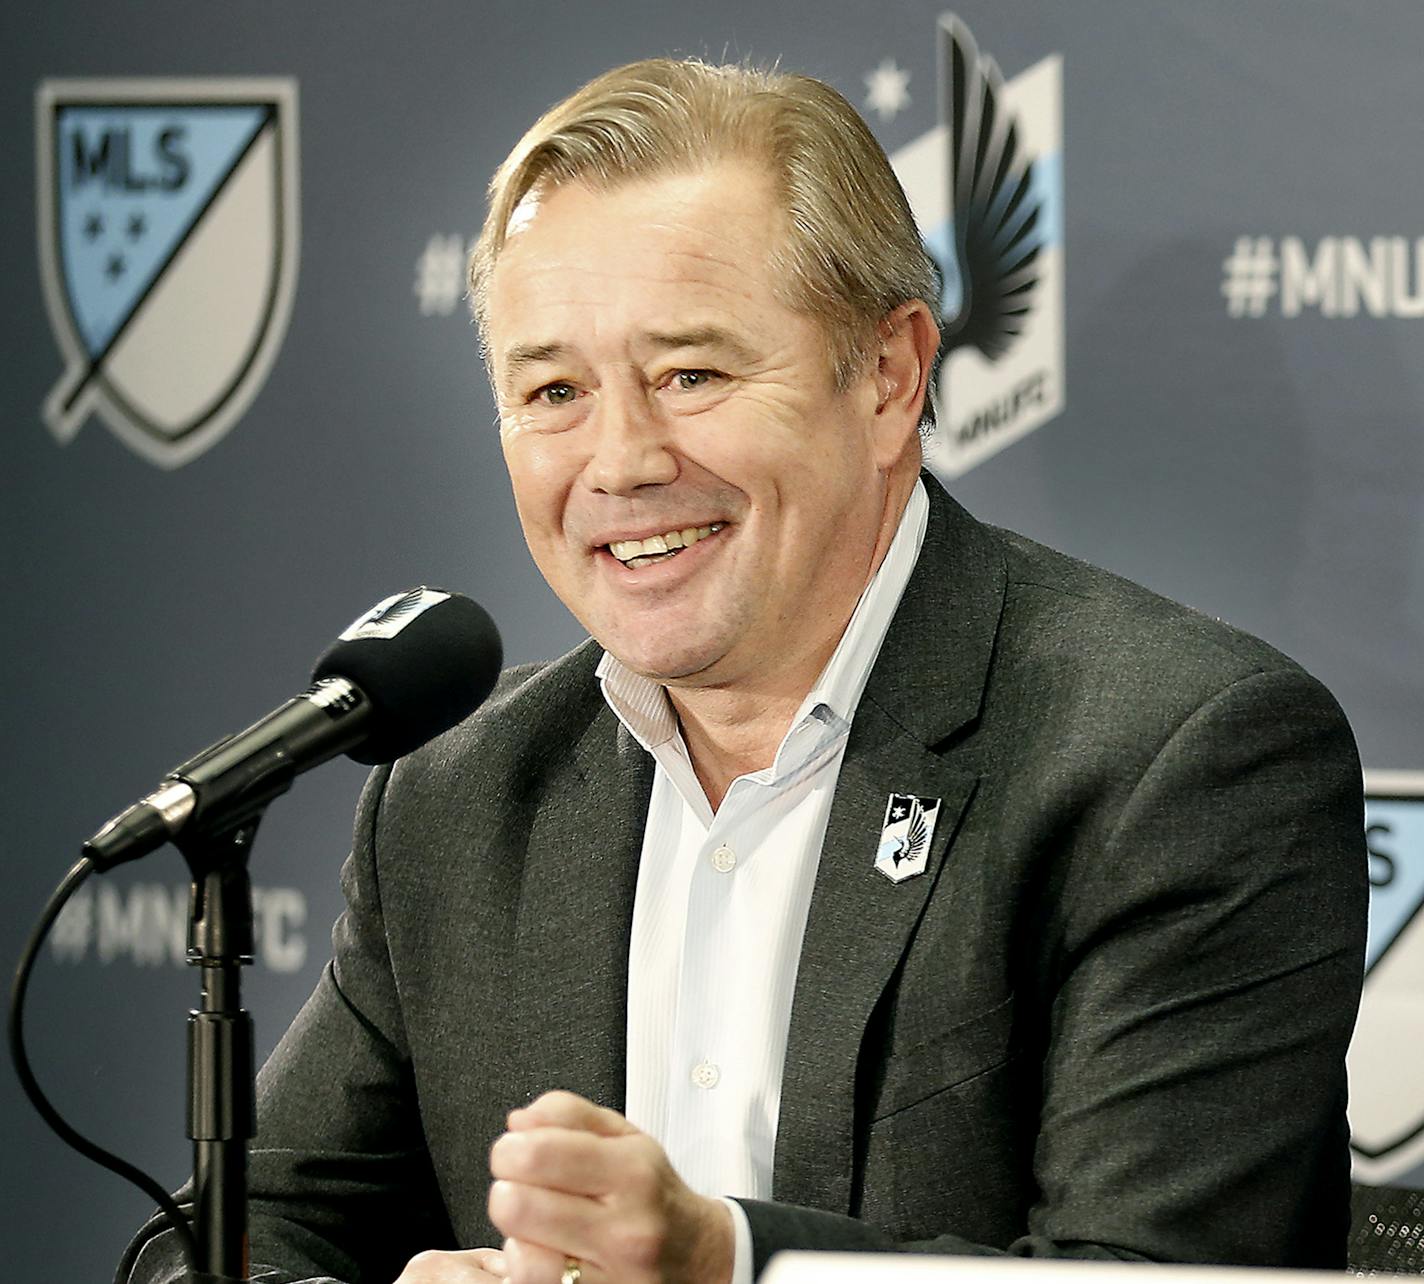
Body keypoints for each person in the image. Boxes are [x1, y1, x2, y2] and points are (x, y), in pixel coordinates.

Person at [125, 57, 1367, 1284]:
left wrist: (726, 1265)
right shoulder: (461, 794)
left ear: (888, 377)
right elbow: (232, 1235)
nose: (619, 461)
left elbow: (1154, 1276)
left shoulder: (1176, 757)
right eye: (553, 390)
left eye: (691, 375)